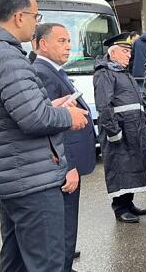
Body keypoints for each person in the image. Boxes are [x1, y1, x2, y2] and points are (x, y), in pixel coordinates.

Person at [0, 0, 89, 271]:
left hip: (10, 178)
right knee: (47, 264)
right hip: (32, 178)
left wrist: (50, 106)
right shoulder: (5, 56)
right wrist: (67, 116)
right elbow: (33, 118)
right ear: (19, 17)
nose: (37, 22)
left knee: (16, 261)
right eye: (36, 16)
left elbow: (7, 113)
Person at [32, 22, 96, 272]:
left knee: (67, 225)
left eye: (69, 40)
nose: (69, 46)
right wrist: (66, 165)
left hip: (67, 164)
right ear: (43, 44)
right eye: (61, 41)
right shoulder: (43, 73)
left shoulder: (55, 70)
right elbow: (52, 126)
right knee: (64, 226)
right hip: (63, 166)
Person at [93, 32, 146, 224]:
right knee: (120, 168)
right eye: (125, 51)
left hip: (131, 131)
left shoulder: (120, 72)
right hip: (119, 132)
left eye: (129, 51)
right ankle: (120, 208)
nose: (129, 55)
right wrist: (114, 132)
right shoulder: (105, 74)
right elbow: (104, 106)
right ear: (113, 53)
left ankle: (128, 203)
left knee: (131, 168)